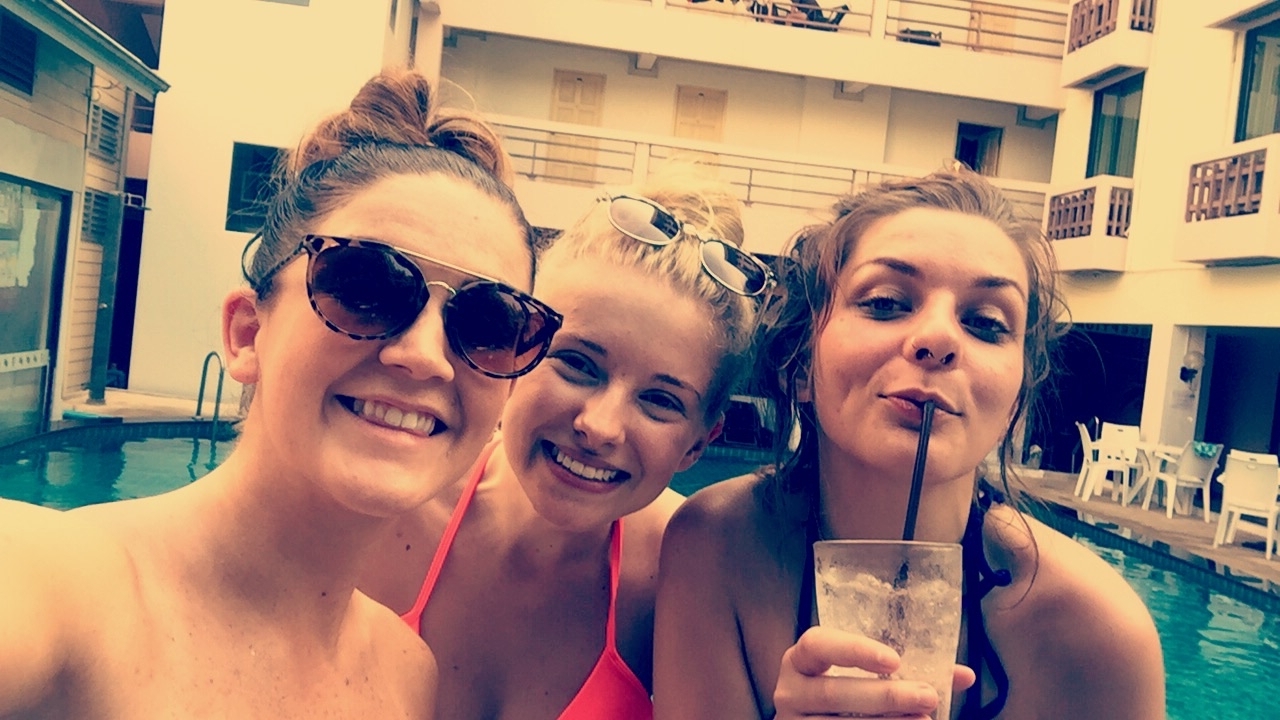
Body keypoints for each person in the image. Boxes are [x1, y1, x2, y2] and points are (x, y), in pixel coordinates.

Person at [0, 70, 563, 718]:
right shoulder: (57, 589)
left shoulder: (408, 675)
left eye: (491, 323)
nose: (424, 356)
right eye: (365, 286)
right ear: (247, 334)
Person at [653, 170, 1165, 719]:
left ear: (1015, 400)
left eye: (986, 322)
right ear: (800, 363)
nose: (939, 338)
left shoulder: (1099, 633)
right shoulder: (715, 549)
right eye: (885, 302)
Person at [360, 169, 771, 719]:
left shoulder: (686, 573)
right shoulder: (391, 503)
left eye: (659, 400)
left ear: (698, 444)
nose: (600, 426)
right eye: (577, 364)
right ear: (518, 348)